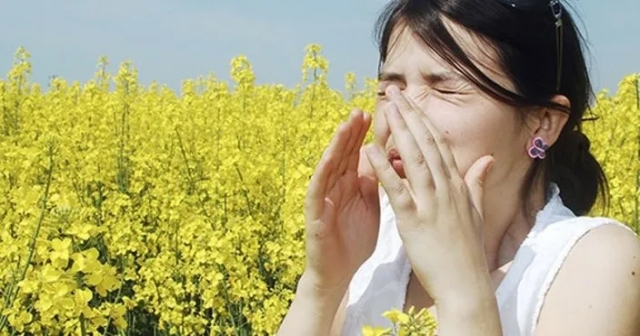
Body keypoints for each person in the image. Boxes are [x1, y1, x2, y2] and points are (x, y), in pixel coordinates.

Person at [277, 0, 640, 335]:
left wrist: (461, 293)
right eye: (390, 89)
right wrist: (323, 284)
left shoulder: (597, 263)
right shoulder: (376, 244)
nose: (401, 113)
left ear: (543, 121)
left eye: (445, 89)